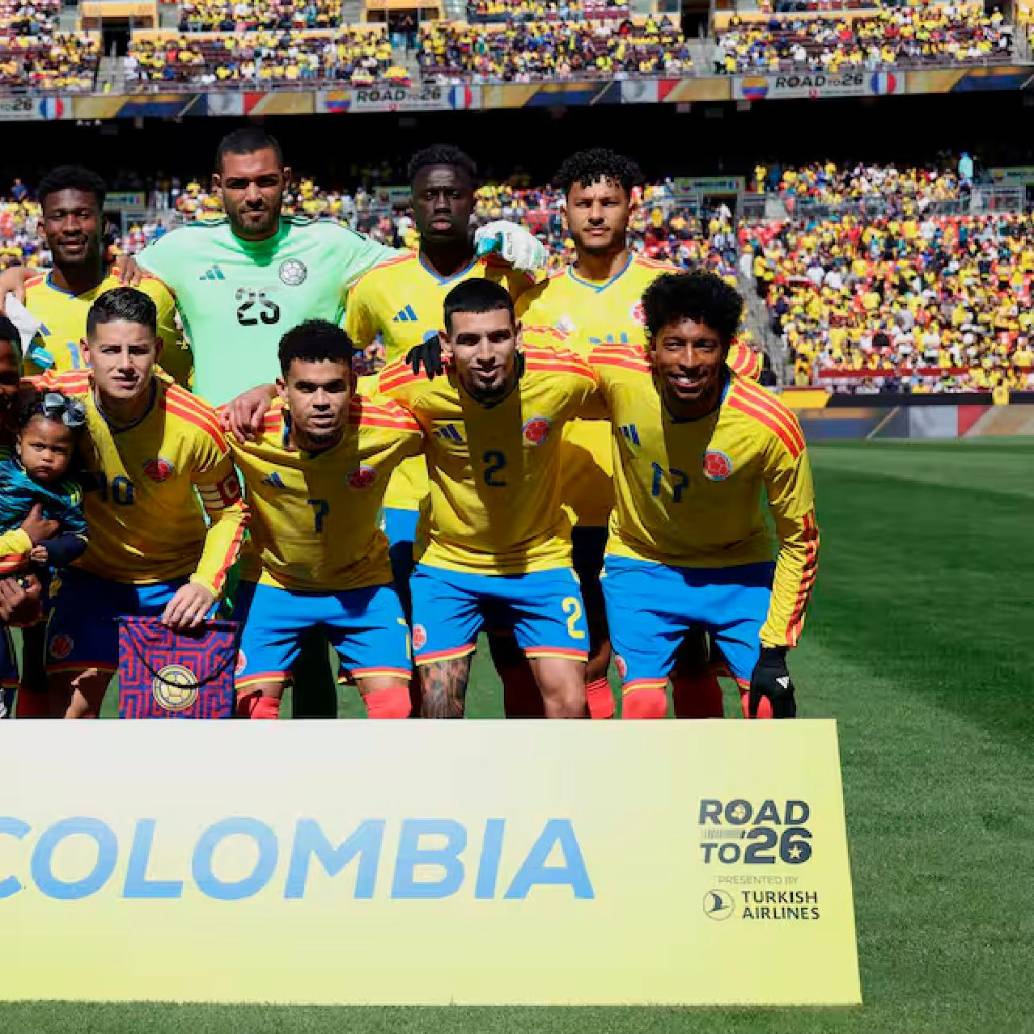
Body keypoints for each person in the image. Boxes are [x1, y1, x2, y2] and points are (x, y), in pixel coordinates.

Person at [131, 127, 543, 717]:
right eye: (240, 184)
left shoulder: (332, 243)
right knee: (223, 650)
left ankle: (319, 787)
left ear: (286, 183)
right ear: (217, 188)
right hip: (222, 465)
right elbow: (122, 301)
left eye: (267, 182)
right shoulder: (174, 251)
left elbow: (423, 271)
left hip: (313, 458)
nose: (254, 195)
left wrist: (492, 246)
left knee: (315, 639)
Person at [588, 271, 819, 719]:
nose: (689, 361)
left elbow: (800, 539)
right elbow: (534, 368)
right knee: (643, 707)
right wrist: (440, 359)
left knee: (770, 704)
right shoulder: (618, 375)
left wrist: (775, 648)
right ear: (651, 347)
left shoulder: (769, 424)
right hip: (643, 563)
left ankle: (749, 788)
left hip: (737, 569)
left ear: (728, 348)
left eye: (705, 346)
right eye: (674, 344)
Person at [378, 279, 597, 719]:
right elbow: (331, 390)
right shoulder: (413, 382)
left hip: (540, 560)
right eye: (468, 340)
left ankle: (559, 788)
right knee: (439, 705)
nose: (485, 354)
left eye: (499, 337)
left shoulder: (564, 378)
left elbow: (631, 382)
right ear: (445, 342)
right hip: (449, 564)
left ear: (518, 334)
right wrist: (267, 393)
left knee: (571, 704)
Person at [37, 288, 248, 719]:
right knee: (69, 712)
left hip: (172, 585)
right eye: (110, 350)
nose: (125, 364)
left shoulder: (194, 425)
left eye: (138, 350)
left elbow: (228, 512)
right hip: (88, 579)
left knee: (175, 725)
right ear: (86, 352)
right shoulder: (55, 405)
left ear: (158, 350)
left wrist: (205, 583)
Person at [512, 147, 671, 720]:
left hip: (656, 506)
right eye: (584, 203)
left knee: (684, 660)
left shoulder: (669, 290)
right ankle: (604, 781)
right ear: (566, 212)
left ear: (631, 208)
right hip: (569, 506)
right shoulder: (536, 299)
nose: (596, 214)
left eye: (608, 202)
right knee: (590, 656)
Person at [344, 144, 535, 616]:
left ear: (474, 201)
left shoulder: (512, 279)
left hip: (500, 486)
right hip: (407, 489)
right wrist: (398, 374)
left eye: (454, 193)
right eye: (430, 195)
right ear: (412, 205)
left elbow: (542, 349)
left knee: (514, 652)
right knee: (413, 639)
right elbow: (342, 362)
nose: (442, 204)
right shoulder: (377, 284)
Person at [228, 320, 422, 720]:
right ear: (282, 389)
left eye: (333, 387)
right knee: (251, 715)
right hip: (273, 585)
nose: (321, 401)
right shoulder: (243, 429)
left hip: (363, 587)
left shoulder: (393, 430)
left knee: (397, 712)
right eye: (306, 388)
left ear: (353, 384)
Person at [15, 166, 190, 387]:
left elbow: (180, 381)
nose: (71, 227)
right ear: (42, 228)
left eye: (83, 215)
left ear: (103, 224)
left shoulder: (146, 292)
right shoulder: (19, 303)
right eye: (59, 216)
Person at [0, 390, 89, 573]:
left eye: (59, 450)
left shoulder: (68, 492)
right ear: (18, 443)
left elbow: (79, 536)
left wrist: (53, 550)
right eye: (38, 446)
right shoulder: (3, 466)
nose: (47, 457)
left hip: (27, 573)